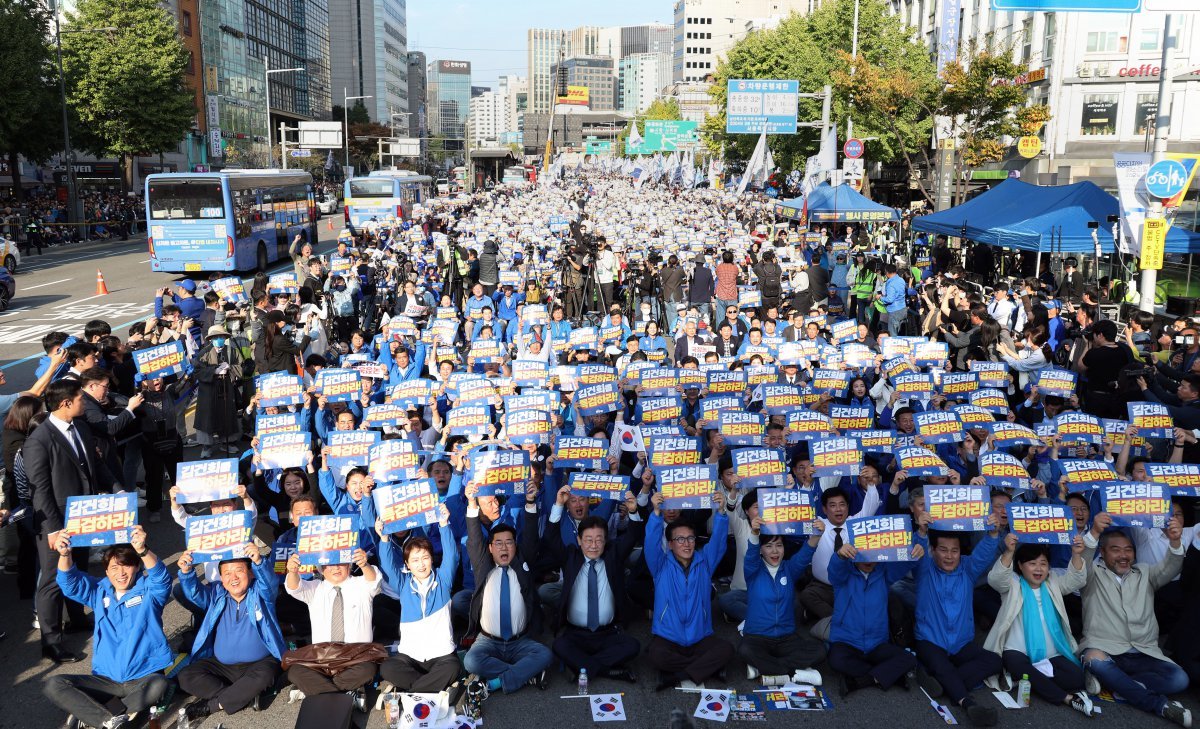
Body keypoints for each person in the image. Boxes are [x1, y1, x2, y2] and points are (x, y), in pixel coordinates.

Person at [24, 378, 120, 663]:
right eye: (80, 397)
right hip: (57, 523)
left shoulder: (80, 426)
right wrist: (53, 529)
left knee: (76, 569)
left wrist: (117, 489)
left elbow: (97, 465)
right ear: (66, 403)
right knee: (53, 580)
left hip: (84, 516)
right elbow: (39, 491)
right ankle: (51, 642)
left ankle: (77, 618)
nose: (84, 401)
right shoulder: (39, 441)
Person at [44, 526, 170, 729]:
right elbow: (69, 583)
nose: (120, 573)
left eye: (126, 566)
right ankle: (110, 721)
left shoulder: (149, 590)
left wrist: (143, 550)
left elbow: (161, 578)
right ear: (106, 571)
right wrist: (65, 553)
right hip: (106, 679)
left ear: (137, 567)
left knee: (160, 685)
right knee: (54, 684)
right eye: (114, 567)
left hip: (144, 677)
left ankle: (92, 716)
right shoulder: (99, 591)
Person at [1079, 512, 1191, 727]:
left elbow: (1172, 566)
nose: (1123, 555)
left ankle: (1116, 685)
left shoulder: (1145, 573)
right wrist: (1094, 532)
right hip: (1105, 649)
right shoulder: (1092, 574)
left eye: (1128, 549)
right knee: (1095, 660)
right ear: (1102, 553)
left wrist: (1175, 541)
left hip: (1144, 651)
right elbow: (1080, 563)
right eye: (1116, 549)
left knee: (1180, 679)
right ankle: (1160, 705)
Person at [983, 533, 1094, 716]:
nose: (1038, 568)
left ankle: (1026, 680)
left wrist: (1076, 554)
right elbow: (995, 579)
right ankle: (1067, 698)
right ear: (1020, 565)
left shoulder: (1053, 583)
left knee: (1076, 678)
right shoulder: (1013, 584)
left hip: (1052, 652)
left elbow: (1077, 580)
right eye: (1032, 563)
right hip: (1018, 651)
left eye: (1043, 563)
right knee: (1016, 664)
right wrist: (1010, 551)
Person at [175, 544, 287, 724]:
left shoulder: (261, 593)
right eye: (227, 573)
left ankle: (212, 705)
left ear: (250, 574)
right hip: (222, 665)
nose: (233, 577)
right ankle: (244, 696)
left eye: (239, 571)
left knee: (266, 674)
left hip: (258, 663)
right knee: (186, 675)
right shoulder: (217, 593)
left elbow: (270, 583)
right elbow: (195, 594)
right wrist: (187, 572)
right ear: (221, 578)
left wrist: (258, 561)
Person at [912, 515, 1003, 727]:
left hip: (961, 642)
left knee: (995, 661)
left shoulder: (967, 568)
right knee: (943, 665)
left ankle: (940, 680)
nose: (950, 556)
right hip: (929, 639)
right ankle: (968, 703)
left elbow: (984, 553)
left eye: (955, 550)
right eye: (943, 550)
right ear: (933, 551)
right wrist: (922, 532)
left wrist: (993, 533)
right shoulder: (925, 571)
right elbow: (918, 554)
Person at [462, 481, 551, 694]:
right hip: (488, 642)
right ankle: (525, 675)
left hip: (520, 641)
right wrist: (472, 502)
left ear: (515, 546)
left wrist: (530, 502)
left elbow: (530, 536)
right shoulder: (483, 564)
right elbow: (474, 538)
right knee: (471, 661)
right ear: (490, 548)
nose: (504, 547)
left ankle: (499, 681)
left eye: (509, 542)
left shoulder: (522, 563)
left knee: (545, 655)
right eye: (499, 543)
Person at [547, 489, 644, 683]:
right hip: (576, 634)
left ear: (605, 541)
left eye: (599, 540)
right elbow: (551, 538)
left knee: (632, 646)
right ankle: (607, 671)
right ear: (579, 541)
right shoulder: (571, 557)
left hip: (607, 633)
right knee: (559, 646)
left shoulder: (613, 555)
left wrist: (633, 511)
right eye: (588, 540)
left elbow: (633, 535)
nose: (593, 545)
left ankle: (583, 668)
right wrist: (558, 504)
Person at [645, 489, 735, 690]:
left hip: (699, 637)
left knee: (727, 649)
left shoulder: (705, 562)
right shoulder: (660, 565)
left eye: (691, 538)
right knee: (654, 655)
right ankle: (707, 669)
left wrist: (720, 512)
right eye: (680, 539)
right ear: (670, 544)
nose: (686, 543)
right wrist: (656, 513)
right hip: (668, 636)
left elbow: (719, 543)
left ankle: (677, 676)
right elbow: (651, 543)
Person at [375, 505, 463, 695]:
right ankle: (433, 688)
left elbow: (452, 556)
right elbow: (388, 567)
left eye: (425, 558)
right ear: (407, 564)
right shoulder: (404, 584)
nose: (421, 564)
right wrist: (384, 538)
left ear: (432, 559)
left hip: (441, 655)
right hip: (410, 656)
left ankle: (410, 694)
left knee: (453, 668)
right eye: (415, 560)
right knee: (387, 668)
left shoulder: (443, 579)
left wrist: (443, 524)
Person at [283, 547, 383, 705]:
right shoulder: (315, 588)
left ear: (349, 565)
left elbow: (374, 579)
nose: (336, 567)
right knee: (295, 672)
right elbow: (294, 587)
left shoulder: (361, 585)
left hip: (356, 657)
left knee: (367, 670)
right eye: (330, 564)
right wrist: (293, 572)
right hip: (322, 658)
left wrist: (364, 565)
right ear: (322, 569)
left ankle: (317, 690)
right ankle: (349, 692)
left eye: (341, 562)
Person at [739, 512, 826, 686]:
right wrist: (755, 533)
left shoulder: (789, 569)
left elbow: (806, 553)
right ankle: (795, 672)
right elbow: (751, 554)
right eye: (769, 546)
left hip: (786, 637)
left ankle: (764, 668)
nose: (774, 551)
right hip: (758, 636)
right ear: (761, 550)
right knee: (745, 650)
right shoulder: (753, 570)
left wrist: (817, 534)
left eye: (779, 545)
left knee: (820, 650)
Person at [827, 540, 923, 696]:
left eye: (873, 554)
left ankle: (861, 681)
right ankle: (889, 675)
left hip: (876, 643)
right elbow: (834, 569)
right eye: (863, 554)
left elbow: (910, 557)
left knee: (909, 659)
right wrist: (839, 555)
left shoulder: (884, 572)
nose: (869, 560)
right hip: (846, 641)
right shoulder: (843, 575)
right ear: (853, 552)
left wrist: (921, 539)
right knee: (835, 660)